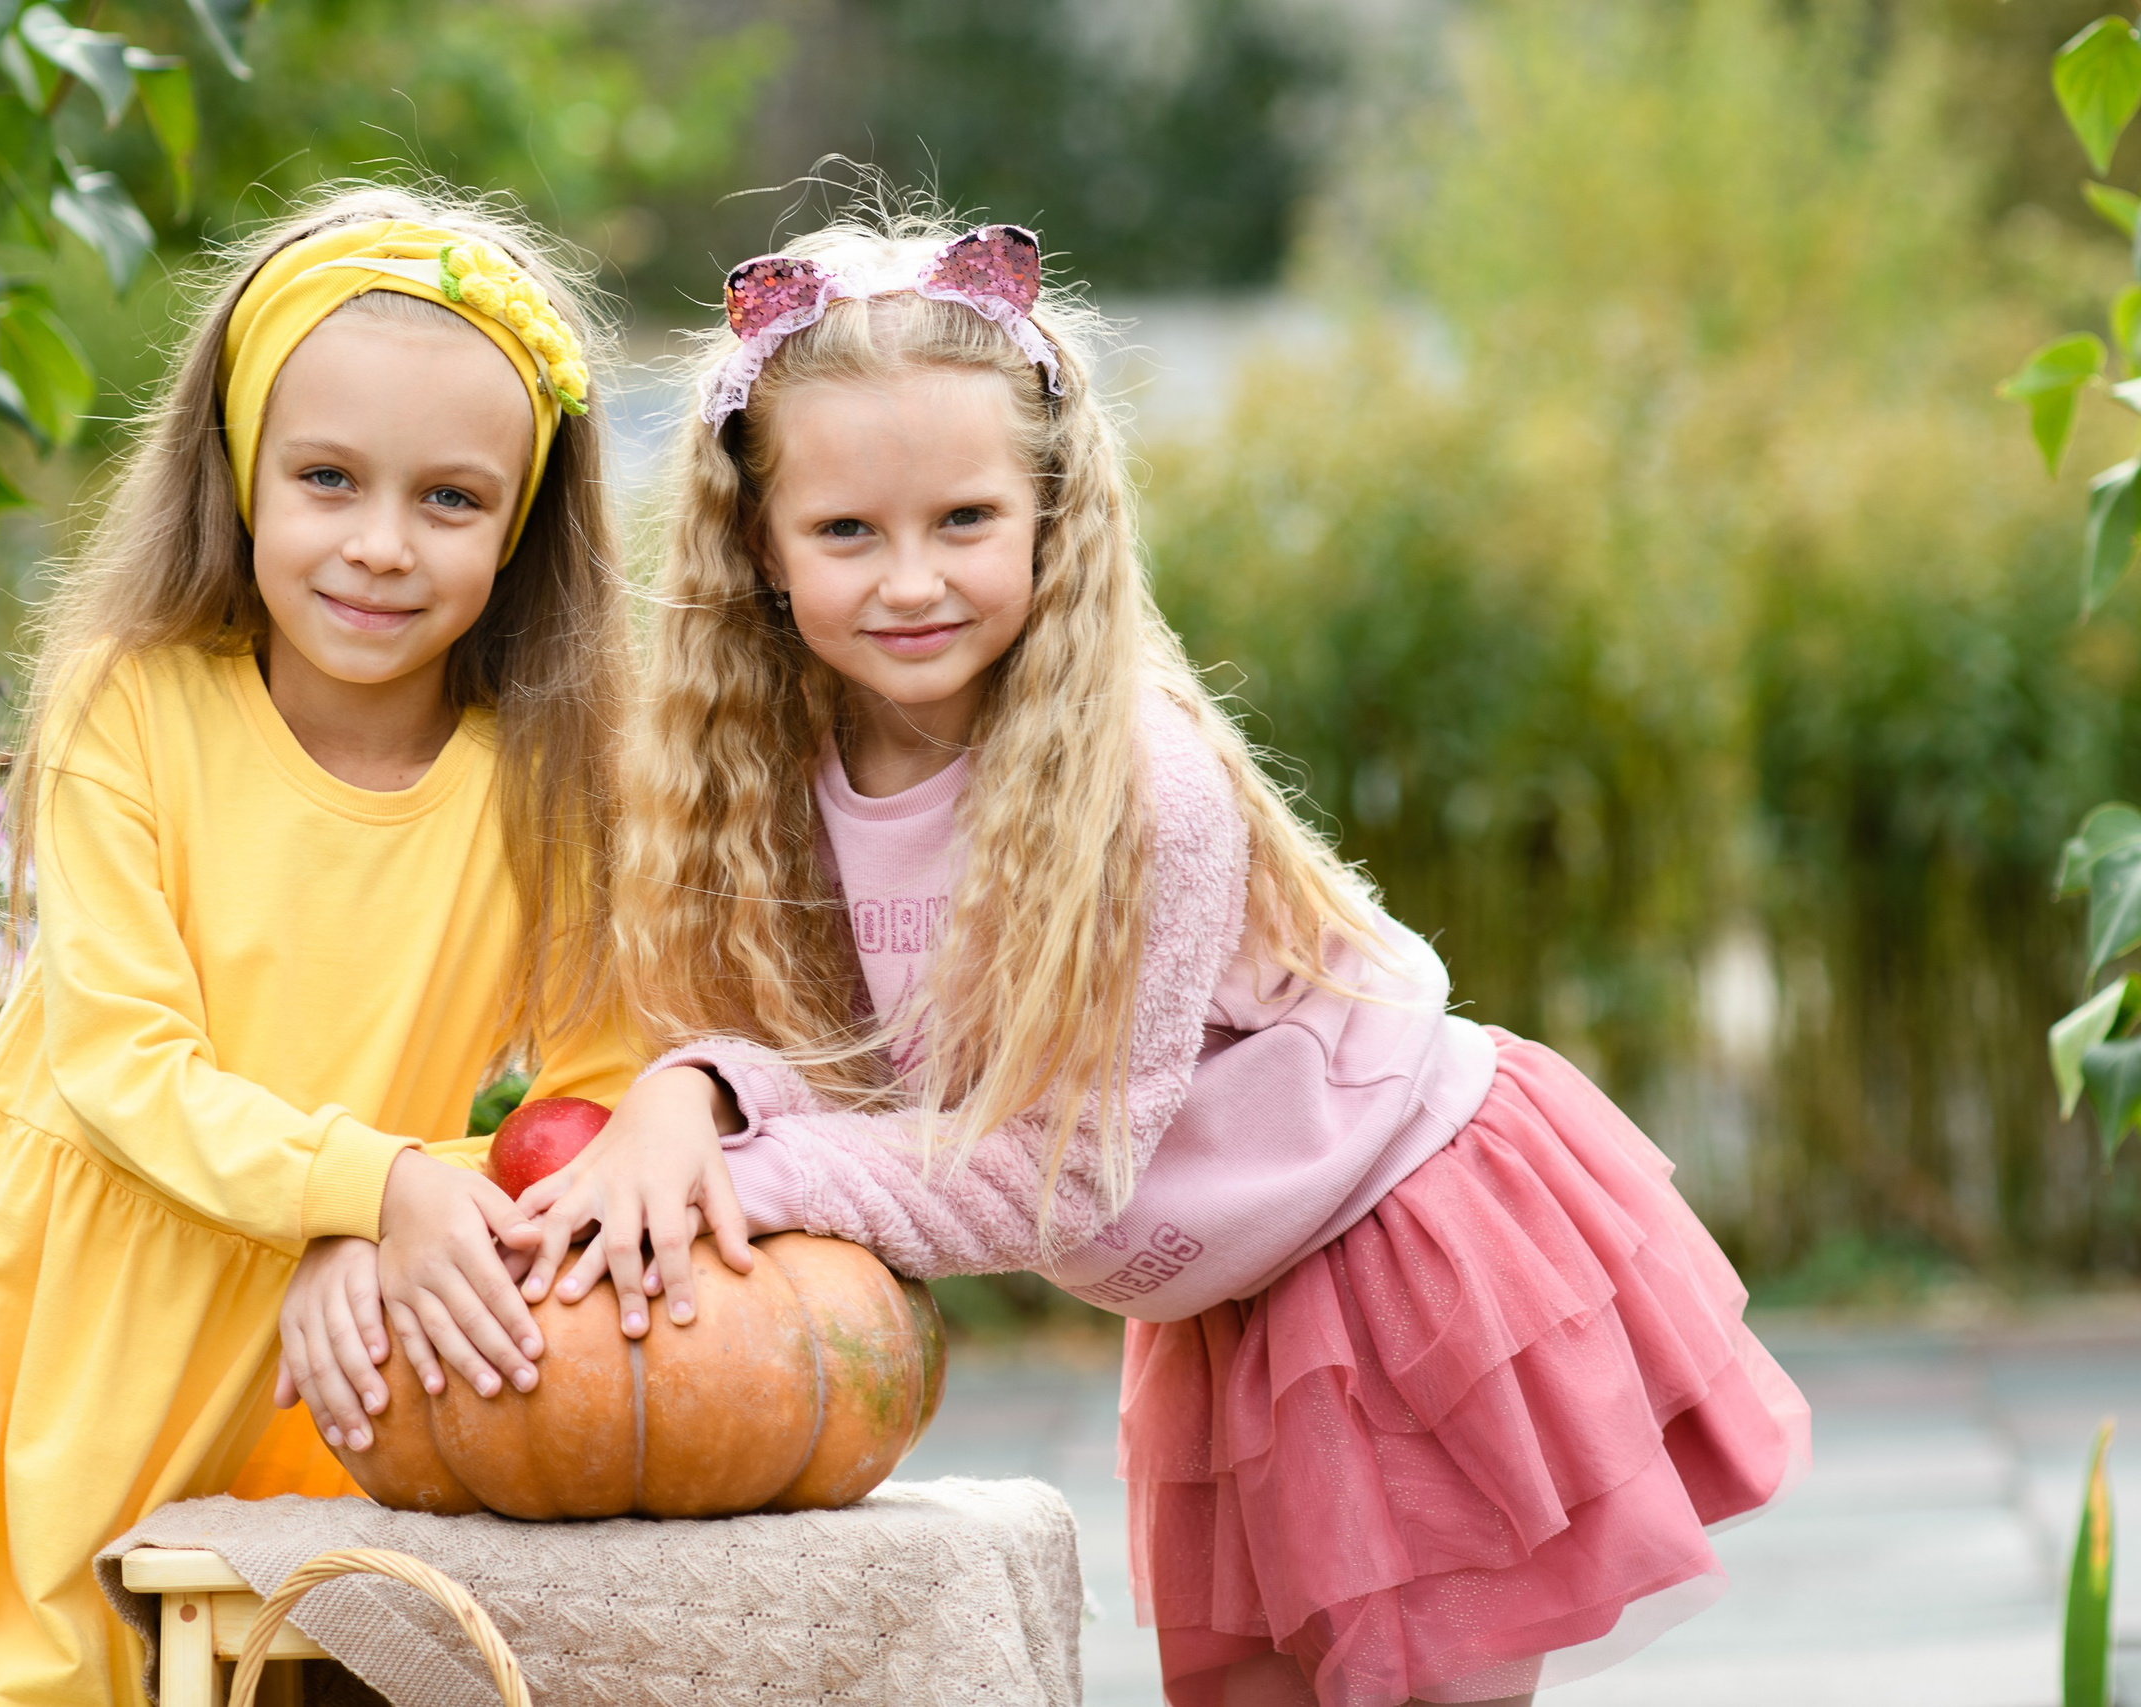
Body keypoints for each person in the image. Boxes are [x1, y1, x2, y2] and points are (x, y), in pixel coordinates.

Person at [516, 213, 1812, 1707]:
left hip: (1394, 1227)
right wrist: (697, 1098)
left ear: (1051, 514)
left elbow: (1059, 1171)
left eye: (965, 521)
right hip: (1212, 1285)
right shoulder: (780, 782)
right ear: (760, 545)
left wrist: (735, 1181)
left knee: (1411, 1685)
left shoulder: (1138, 787)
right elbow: (841, 1069)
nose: (912, 580)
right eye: (847, 533)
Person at [0, 186, 638, 1707]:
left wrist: (386, 1216)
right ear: (239, 471)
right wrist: (374, 1184)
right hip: (40, 1317)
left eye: (452, 500)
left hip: (318, 1342)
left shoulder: (549, 782)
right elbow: (120, 1065)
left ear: (526, 519)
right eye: (329, 479)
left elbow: (597, 1101)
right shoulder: (130, 704)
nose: (380, 546)